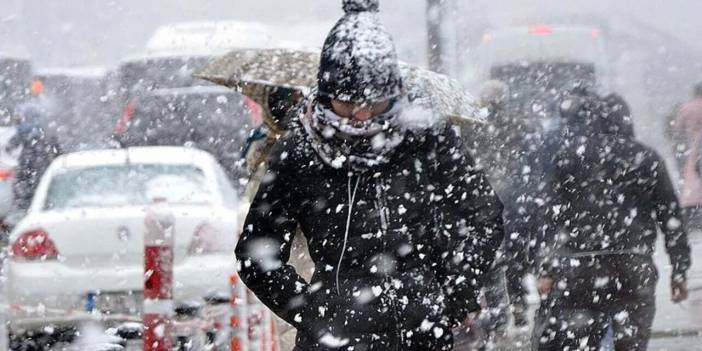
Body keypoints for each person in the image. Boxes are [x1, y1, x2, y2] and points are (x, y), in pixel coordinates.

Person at [235, 1, 505, 349]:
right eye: (347, 103)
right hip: (333, 337)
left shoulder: (426, 136)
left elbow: (483, 215)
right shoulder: (299, 151)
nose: (361, 115)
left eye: (374, 102)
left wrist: (453, 294)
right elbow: (256, 254)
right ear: (326, 94)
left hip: (421, 333)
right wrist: (314, 311)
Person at [532, 90, 691, 351]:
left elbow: (548, 214)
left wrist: (546, 268)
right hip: (632, 261)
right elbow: (670, 214)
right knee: (630, 340)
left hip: (579, 264)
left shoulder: (569, 156)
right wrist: (679, 269)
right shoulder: (646, 157)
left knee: (579, 338)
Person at [7, 103, 62, 211]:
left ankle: (26, 207)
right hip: (43, 163)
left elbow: (11, 145)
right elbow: (55, 146)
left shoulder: (23, 129)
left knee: (25, 190)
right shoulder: (44, 129)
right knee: (42, 188)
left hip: (27, 163)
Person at [673, 83, 702, 227]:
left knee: (690, 177)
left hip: (691, 146)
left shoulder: (686, 108)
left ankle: (693, 211)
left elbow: (678, 128)